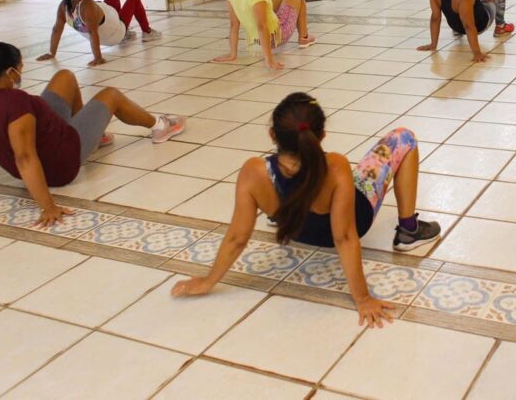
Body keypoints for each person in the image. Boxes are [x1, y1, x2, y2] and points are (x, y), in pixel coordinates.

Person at [171, 92, 442, 327]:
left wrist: (208, 281)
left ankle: (281, 214)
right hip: (354, 220)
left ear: (272, 134)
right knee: (403, 137)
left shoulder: (253, 172)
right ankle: (409, 230)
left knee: (278, 186)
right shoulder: (335, 166)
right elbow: (344, 237)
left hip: (296, 229)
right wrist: (362, 298)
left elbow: (236, 238)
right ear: (321, 136)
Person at [0, 42, 185, 227]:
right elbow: (24, 157)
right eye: (20, 68)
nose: (21, 73)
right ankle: (160, 126)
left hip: (50, 131)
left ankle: (95, 137)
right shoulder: (14, 102)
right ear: (10, 72)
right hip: (61, 162)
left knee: (64, 76)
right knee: (111, 95)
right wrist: (48, 207)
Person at [215, 0, 317, 71]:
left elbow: (234, 25)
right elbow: (262, 27)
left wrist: (232, 54)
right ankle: (304, 37)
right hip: (276, 36)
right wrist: (269, 59)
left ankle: (293, 31)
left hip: (256, 40)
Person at [37, 0, 161, 68]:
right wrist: (98, 58)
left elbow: (56, 30)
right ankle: (147, 32)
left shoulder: (64, 6)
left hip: (105, 32)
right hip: (116, 33)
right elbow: (93, 32)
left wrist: (52, 53)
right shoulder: (87, 5)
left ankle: (127, 34)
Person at [417, 0, 514, 63]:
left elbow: (435, 19)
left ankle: (457, 31)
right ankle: (500, 26)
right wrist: (477, 53)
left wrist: (433, 44)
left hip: (457, 27)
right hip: (481, 25)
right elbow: (469, 26)